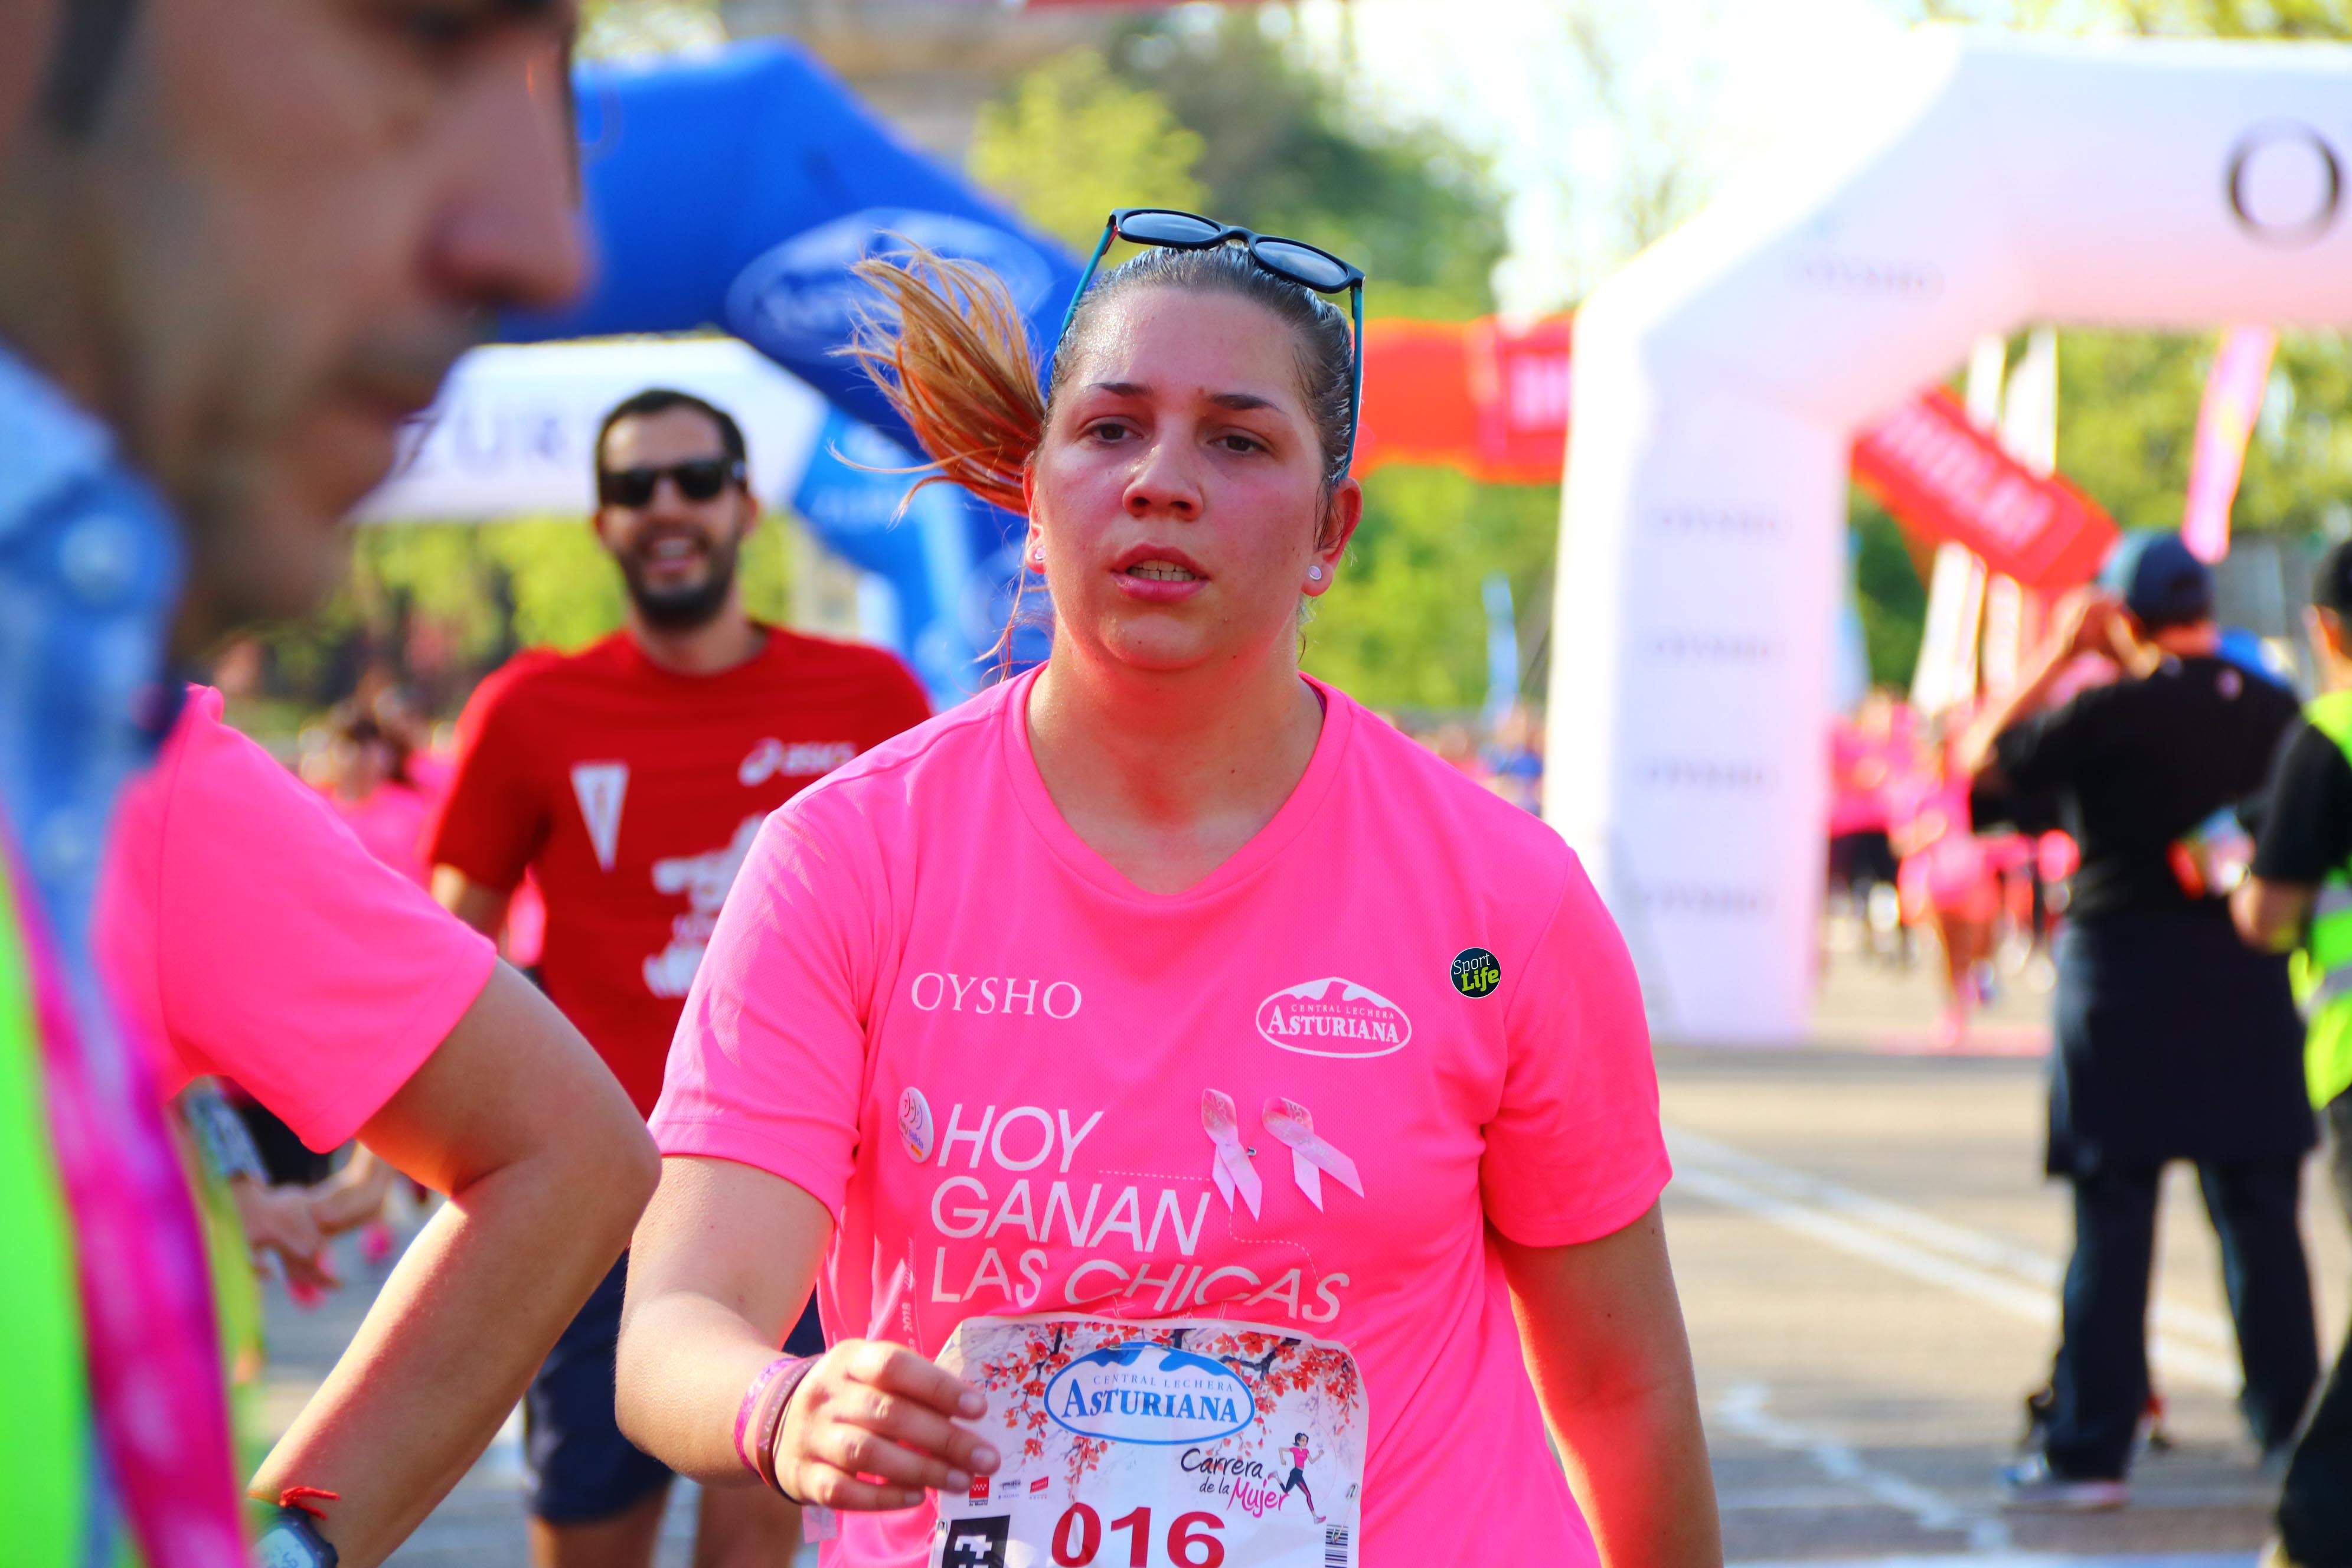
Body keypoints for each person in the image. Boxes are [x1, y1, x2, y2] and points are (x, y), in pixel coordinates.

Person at [615, 215, 1720, 1568]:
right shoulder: (847, 859)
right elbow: (676, 1317)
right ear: (1034, 485)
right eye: (1111, 429)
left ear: (1331, 528)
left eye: (1239, 440)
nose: (1162, 482)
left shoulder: (1507, 898)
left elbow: (1618, 1388)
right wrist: (783, 1404)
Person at [0, 2, 614, 1564]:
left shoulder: (124, 768)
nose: (549, 246)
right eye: (424, 31)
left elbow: (572, 1152)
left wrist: (282, 1547)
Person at [427, 387, 933, 1568]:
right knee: (588, 1537)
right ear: (603, 523)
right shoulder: (531, 708)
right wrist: (387, 1155)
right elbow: (449, 951)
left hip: (803, 1182)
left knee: (760, 1526)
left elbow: (941, 940)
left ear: (744, 506)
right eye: (634, 486)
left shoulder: (867, 699)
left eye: (696, 479)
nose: (668, 505)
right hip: (595, 1189)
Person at [1956, 533, 2318, 1510]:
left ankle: (2091, 1451)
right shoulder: (2278, 708)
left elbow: (1979, 764)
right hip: (2245, 985)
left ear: (2118, 613)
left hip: (2122, 989)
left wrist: (2058, 656)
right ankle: (2292, 1431)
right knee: (2260, 1213)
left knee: (2113, 1217)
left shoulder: (2108, 711)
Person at [2232, 537, 2352, 1568]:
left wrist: (2235, 881)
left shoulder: (2331, 733)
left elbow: (2272, 915)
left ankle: (2315, 1527)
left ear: (2324, 631)